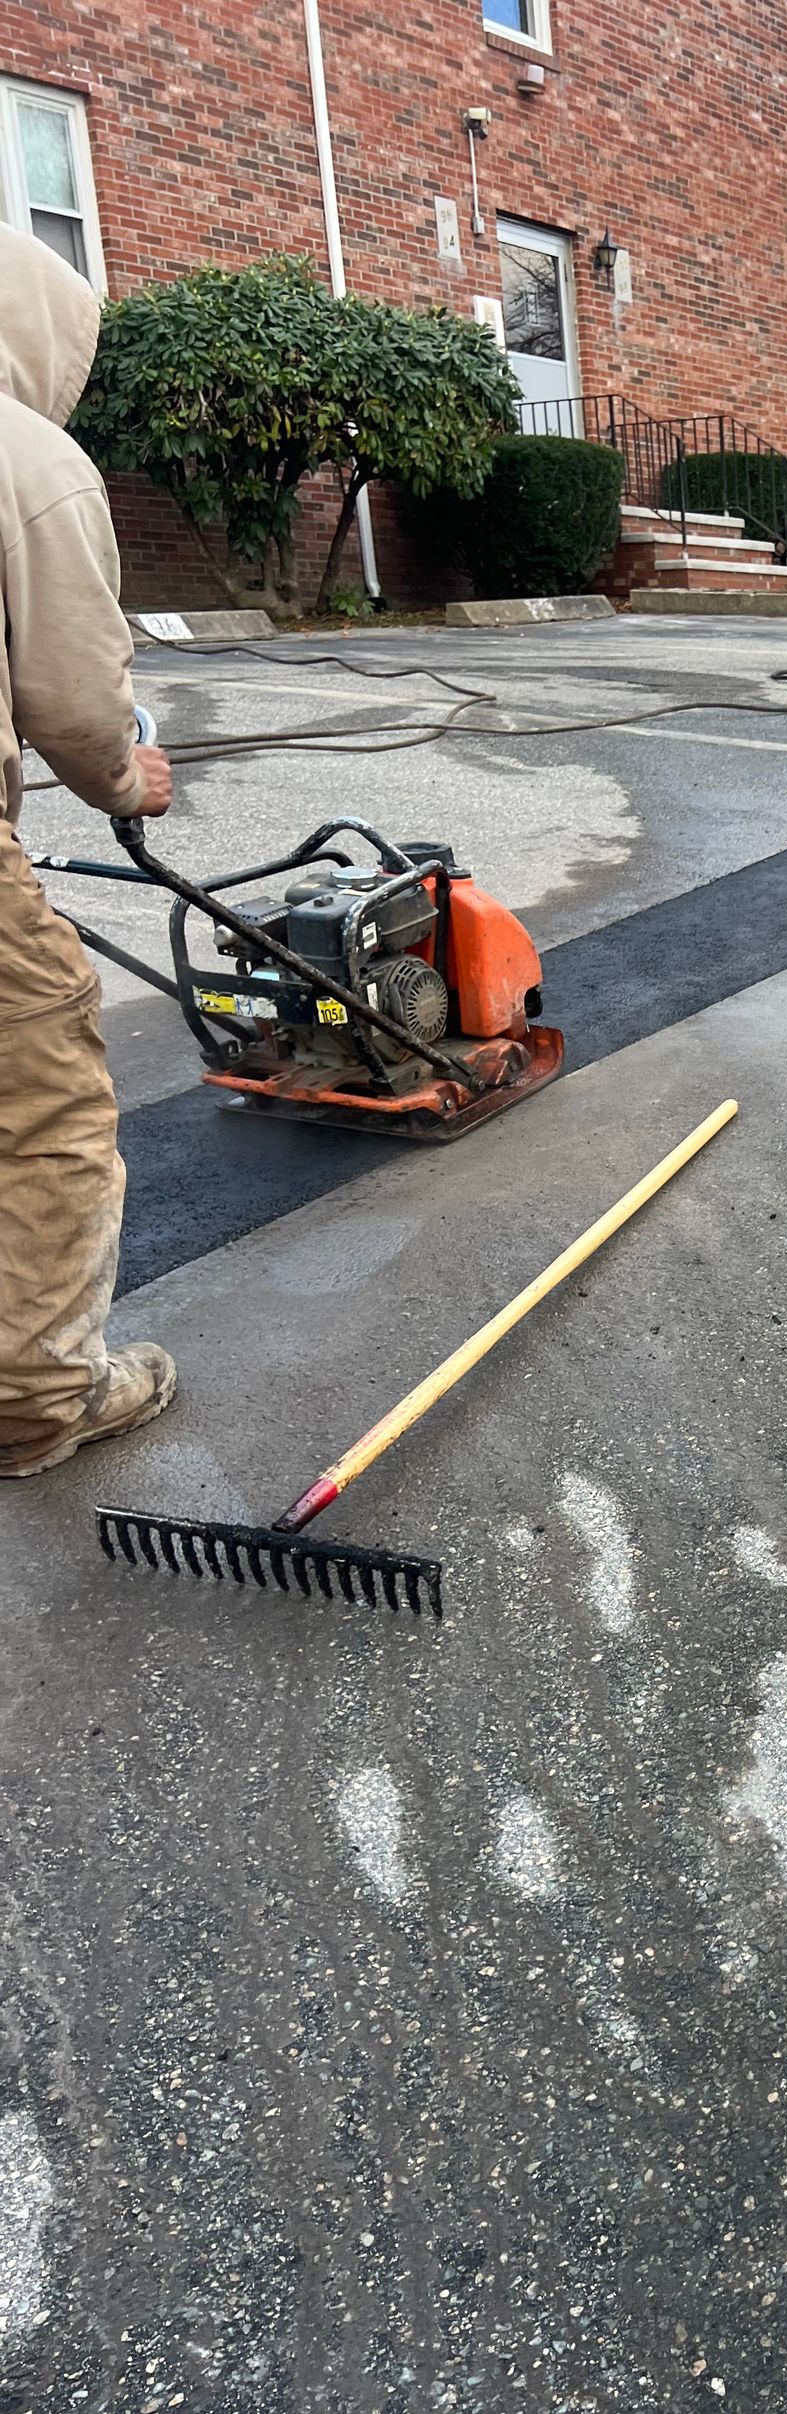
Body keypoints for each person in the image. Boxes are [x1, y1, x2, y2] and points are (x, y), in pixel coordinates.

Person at [0, 221, 175, 1478]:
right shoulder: (28, 457)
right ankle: (33, 1399)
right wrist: (127, 775)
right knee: (41, 1098)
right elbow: (71, 702)